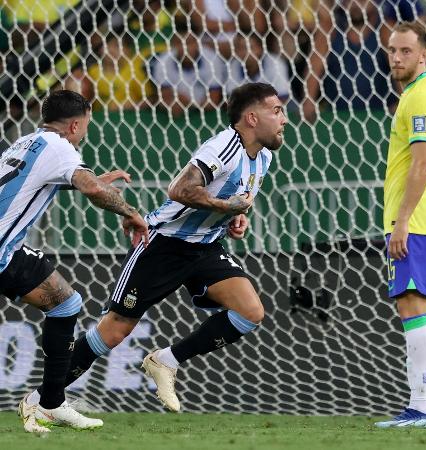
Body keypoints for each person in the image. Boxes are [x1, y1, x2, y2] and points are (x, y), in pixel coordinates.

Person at [23, 82, 287, 412]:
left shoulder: (262, 158)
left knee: (250, 312)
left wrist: (235, 217)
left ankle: (165, 360)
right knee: (115, 331)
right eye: (276, 110)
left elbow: (233, 201)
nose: (284, 119)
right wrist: (225, 206)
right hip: (163, 243)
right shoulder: (225, 147)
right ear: (251, 117)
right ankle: (41, 400)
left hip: (204, 246)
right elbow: (179, 189)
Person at [0, 90, 149, 433]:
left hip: (9, 250)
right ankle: (51, 402)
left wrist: (95, 179)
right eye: (86, 127)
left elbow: (37, 181)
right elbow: (93, 191)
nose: (85, 133)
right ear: (75, 125)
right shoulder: (61, 148)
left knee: (66, 304)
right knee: (66, 306)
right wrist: (131, 212)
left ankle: (51, 403)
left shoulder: (26, 141)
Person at [374, 22, 426, 428]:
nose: (397, 58)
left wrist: (401, 222)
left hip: (414, 218)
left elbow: (422, 162)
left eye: (405, 51)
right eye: (392, 51)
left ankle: (421, 408)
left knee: (412, 307)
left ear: (423, 54)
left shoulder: (420, 98)